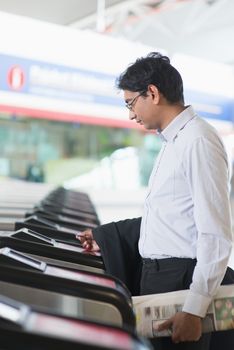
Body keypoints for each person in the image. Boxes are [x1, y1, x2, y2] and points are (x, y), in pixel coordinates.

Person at [77, 52, 233, 350]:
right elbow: (170, 218)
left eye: (130, 103)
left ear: (152, 93)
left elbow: (215, 234)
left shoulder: (198, 140)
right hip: (163, 282)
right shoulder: (174, 141)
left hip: (181, 286)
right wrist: (103, 237)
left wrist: (194, 309)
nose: (130, 114)